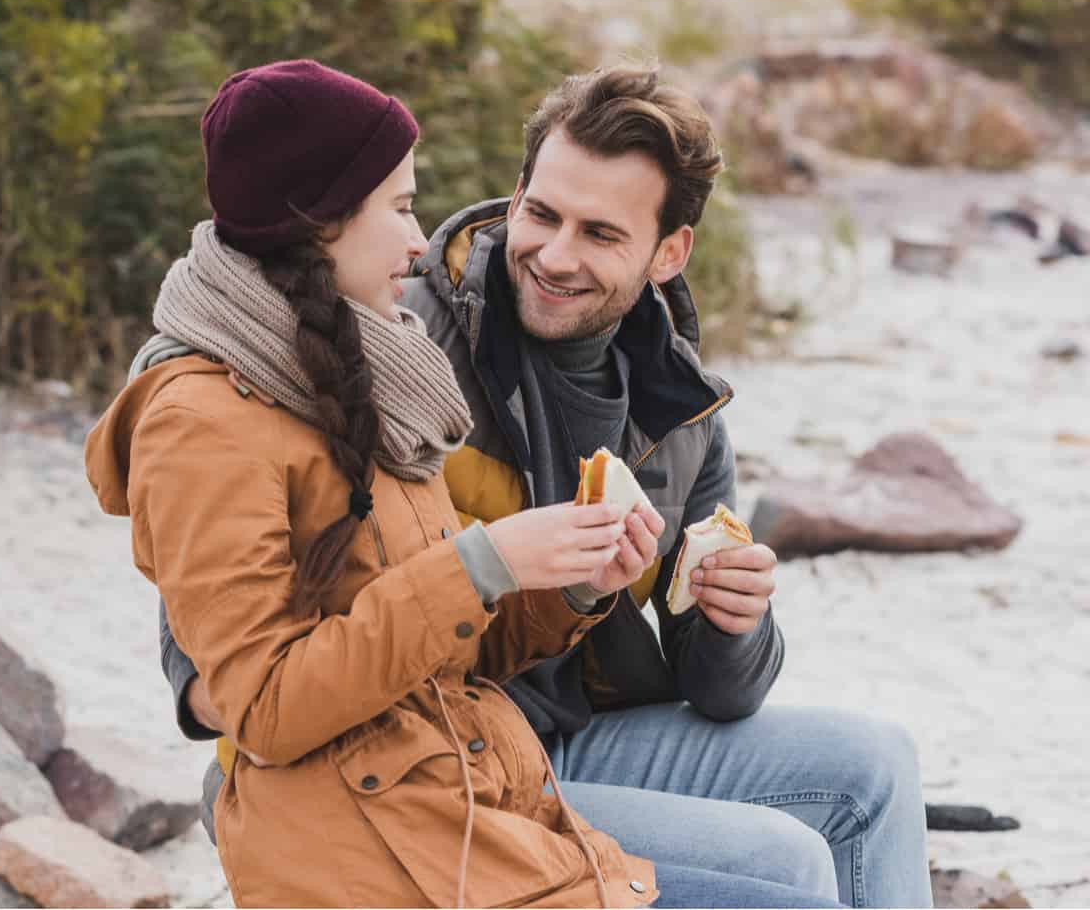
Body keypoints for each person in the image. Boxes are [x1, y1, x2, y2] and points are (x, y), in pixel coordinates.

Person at [154, 64, 931, 908]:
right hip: (423, 757)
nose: (555, 256)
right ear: (516, 192)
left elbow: (720, 691)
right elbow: (218, 659)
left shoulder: (681, 414)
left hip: (562, 737)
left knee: (878, 767)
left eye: (600, 234)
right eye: (543, 214)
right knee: (784, 865)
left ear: (670, 252)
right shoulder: (385, 345)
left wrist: (730, 621)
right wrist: (485, 566)